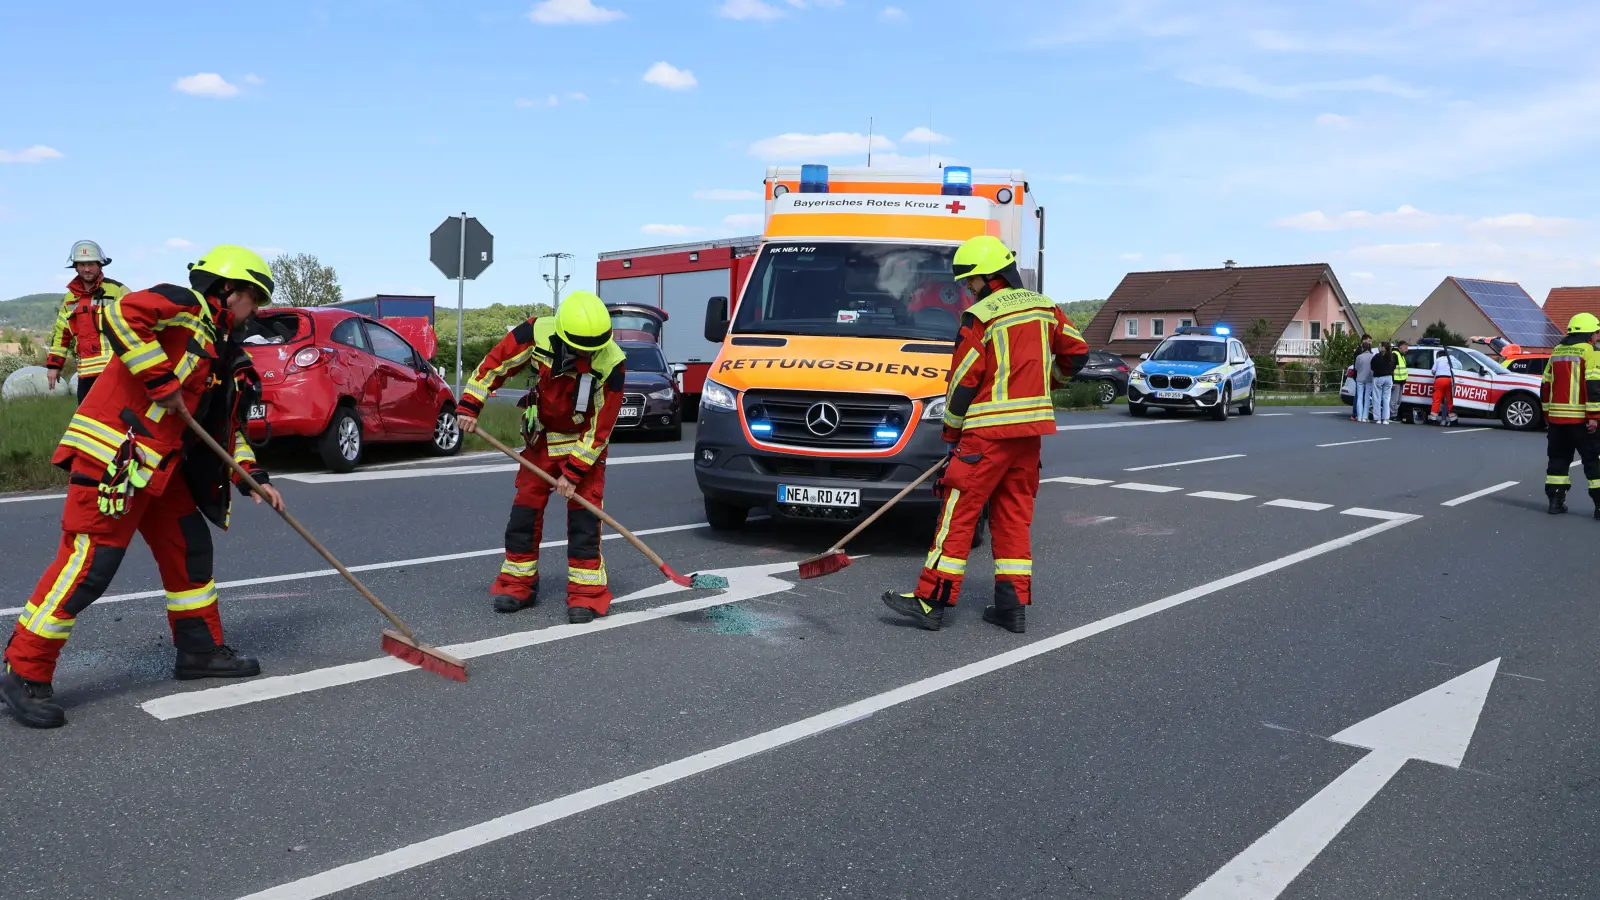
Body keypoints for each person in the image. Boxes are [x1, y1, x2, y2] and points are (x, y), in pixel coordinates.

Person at [0, 246, 284, 729]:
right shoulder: (185, 305)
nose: (254, 311)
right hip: (114, 458)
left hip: (157, 467)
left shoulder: (222, 350)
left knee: (188, 548)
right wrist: (159, 378)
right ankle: (23, 670)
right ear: (227, 289)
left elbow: (222, 430)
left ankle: (198, 651)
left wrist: (251, 475)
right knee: (90, 565)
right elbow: (120, 314)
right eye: (252, 299)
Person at [882, 235, 1088, 634]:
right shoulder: (1045, 308)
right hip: (1029, 435)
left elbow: (962, 383)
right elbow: (1078, 354)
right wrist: (1050, 381)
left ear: (990, 276)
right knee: (1013, 517)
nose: (968, 290)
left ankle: (930, 602)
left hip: (985, 435)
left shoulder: (982, 316)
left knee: (956, 517)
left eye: (970, 281)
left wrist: (951, 434)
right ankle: (1012, 608)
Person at [456, 291, 625, 624]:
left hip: (583, 446)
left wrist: (574, 473)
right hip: (542, 439)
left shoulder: (612, 362)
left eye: (593, 351)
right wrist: (470, 405)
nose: (586, 357)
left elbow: (601, 427)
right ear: (562, 336)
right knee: (524, 511)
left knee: (584, 521)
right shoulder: (534, 333)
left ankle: (586, 594)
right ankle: (517, 583)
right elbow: (494, 364)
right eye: (580, 351)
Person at [46, 240, 129, 402]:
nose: (86, 269)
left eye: (91, 264)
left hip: (116, 370)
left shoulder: (118, 290)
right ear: (75, 267)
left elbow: (138, 323)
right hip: (85, 373)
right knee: (87, 422)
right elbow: (61, 334)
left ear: (100, 265)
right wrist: (54, 365)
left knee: (119, 420)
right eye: (82, 264)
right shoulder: (70, 298)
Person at [1540, 313, 1600, 516]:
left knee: (1557, 461)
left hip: (1557, 421)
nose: (1597, 337)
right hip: (1582, 420)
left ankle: (1555, 503)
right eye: (1597, 333)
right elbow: (1593, 386)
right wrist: (1594, 416)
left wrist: (1548, 413)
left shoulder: (1556, 352)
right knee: (1594, 461)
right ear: (1590, 333)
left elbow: (1545, 384)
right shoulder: (1591, 352)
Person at [1429, 349, 1457, 425]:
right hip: (1449, 380)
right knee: (1449, 400)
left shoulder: (1438, 359)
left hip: (1439, 380)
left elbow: (1433, 371)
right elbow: (1459, 368)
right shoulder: (1453, 359)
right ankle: (1453, 419)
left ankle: (1432, 419)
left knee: (1437, 399)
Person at [1370, 341, 1396, 425]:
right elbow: (1393, 367)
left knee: (1377, 398)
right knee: (1386, 399)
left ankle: (1377, 418)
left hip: (1378, 377)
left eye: (1380, 346)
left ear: (1383, 348)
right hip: (1388, 378)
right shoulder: (1391, 357)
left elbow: (1372, 367)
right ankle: (1385, 419)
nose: (1378, 347)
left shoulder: (1377, 357)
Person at [1352, 339, 1375, 423]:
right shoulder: (1373, 356)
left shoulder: (1359, 357)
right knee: (1367, 398)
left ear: (1362, 348)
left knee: (1360, 397)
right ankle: (1365, 417)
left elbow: (1356, 368)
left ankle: (1359, 416)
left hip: (1360, 378)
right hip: (1369, 378)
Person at [1391, 341, 1410, 423]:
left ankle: (1394, 414)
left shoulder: (1401, 355)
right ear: (1401, 346)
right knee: (1394, 399)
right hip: (1396, 380)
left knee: (1398, 400)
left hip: (1401, 381)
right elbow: (1392, 368)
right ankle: (1392, 415)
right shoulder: (1395, 354)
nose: (1407, 349)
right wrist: (1392, 381)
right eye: (1406, 347)